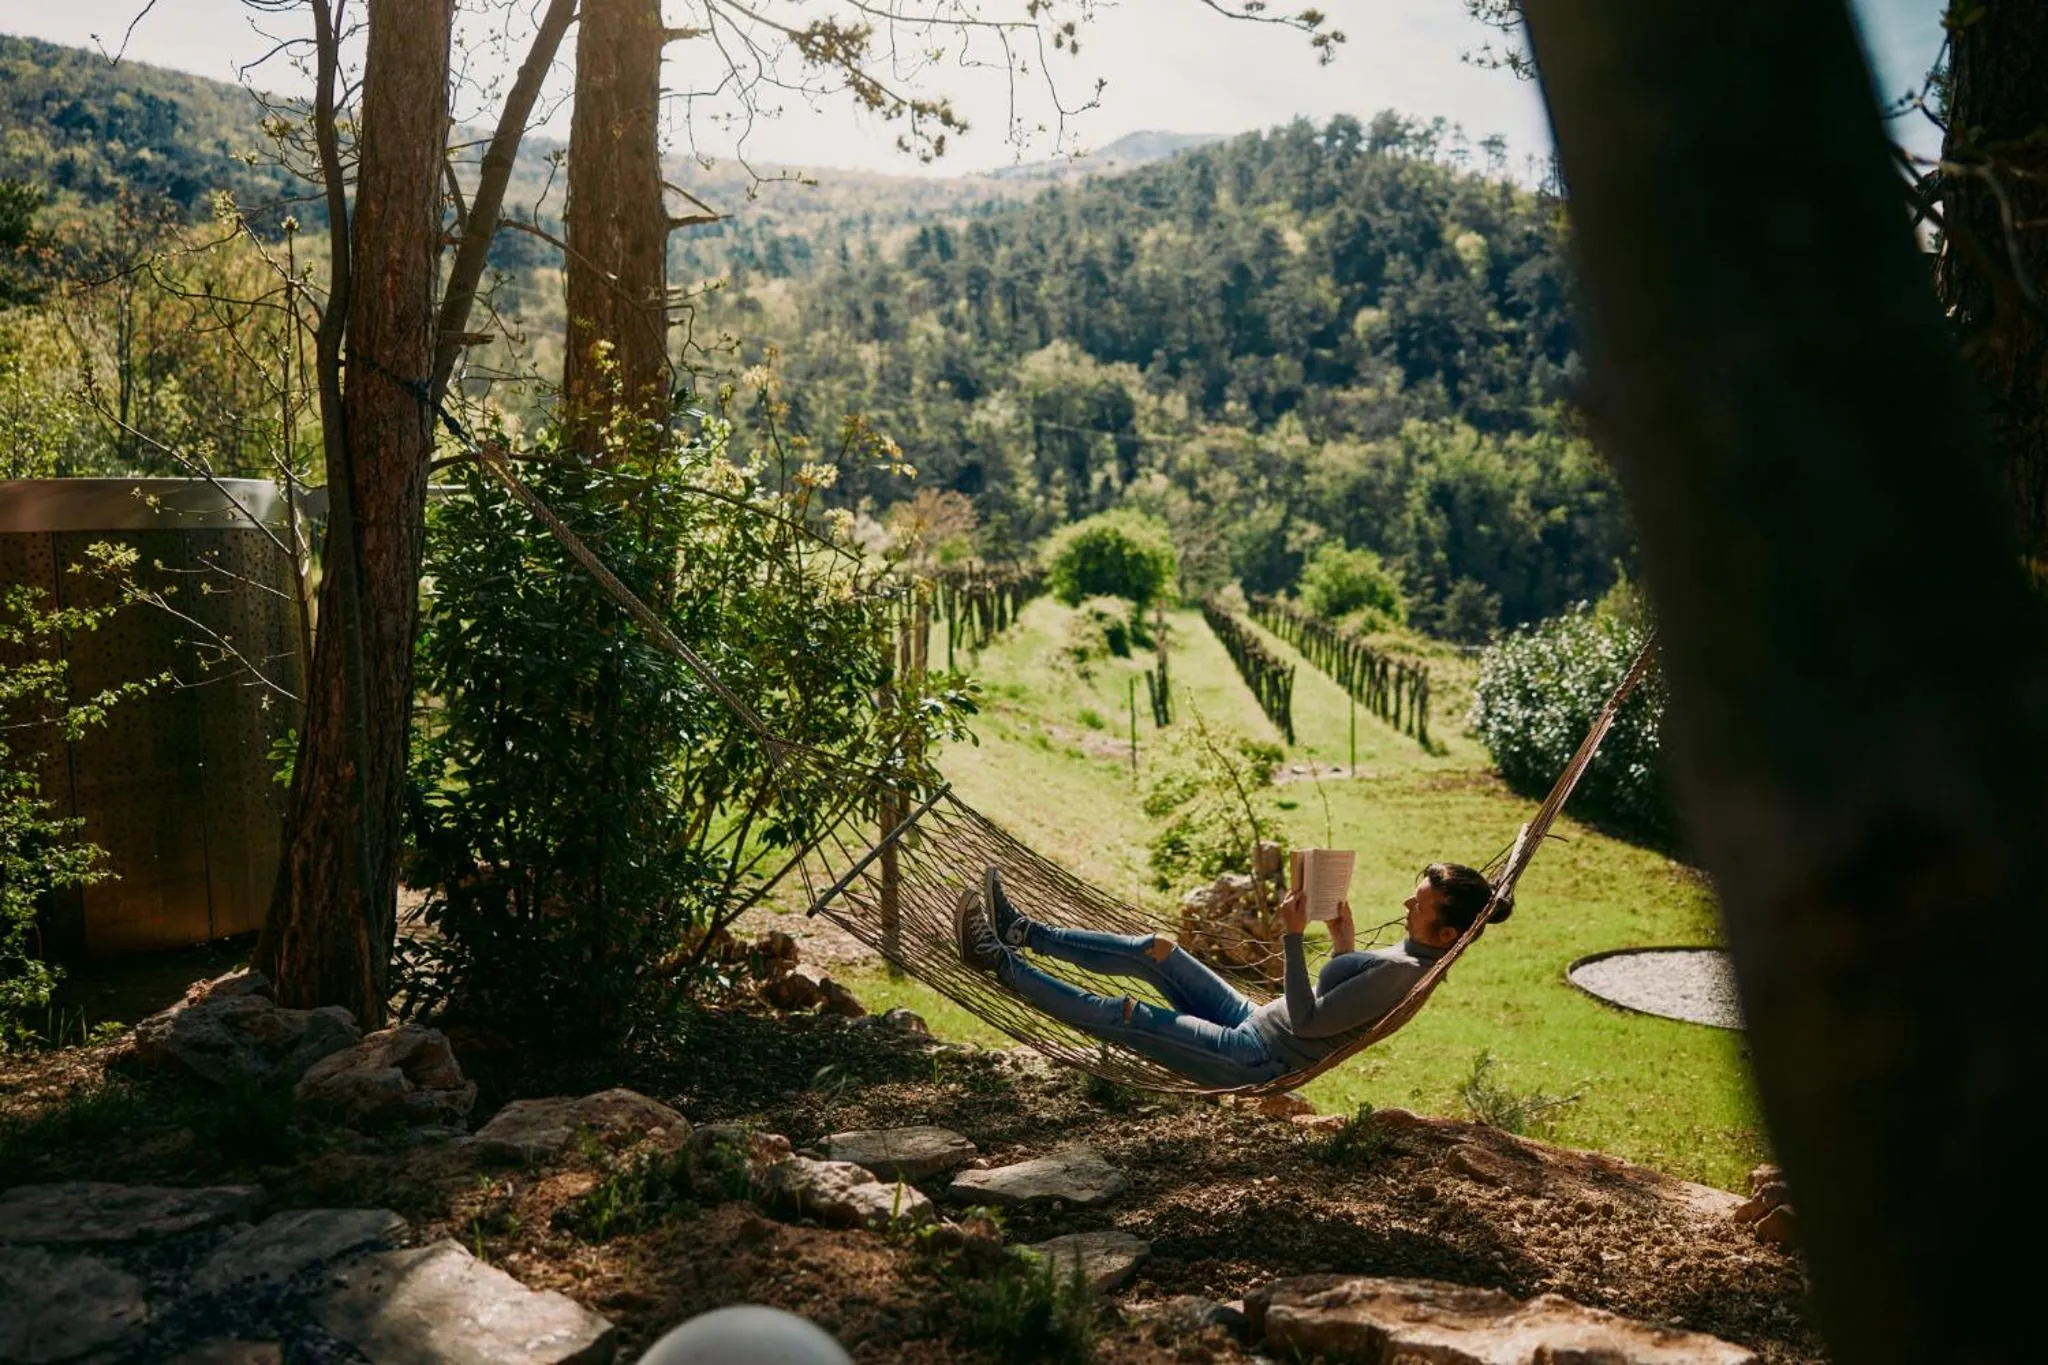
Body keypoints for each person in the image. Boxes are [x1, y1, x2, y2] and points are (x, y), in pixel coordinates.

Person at [953, 860, 1507, 1089]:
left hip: (1252, 1057)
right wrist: (1342, 938)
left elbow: (1312, 1021)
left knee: (1128, 1015)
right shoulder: (1413, 954)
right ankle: (1021, 930)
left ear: (1447, 934)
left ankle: (997, 960)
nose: (1408, 899)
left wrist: (1291, 937)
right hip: (1253, 1020)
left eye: (1422, 901)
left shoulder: (1406, 974)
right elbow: (1340, 995)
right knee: (1158, 950)